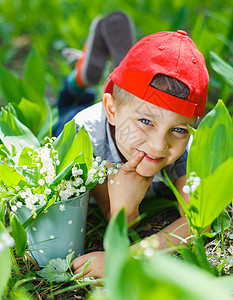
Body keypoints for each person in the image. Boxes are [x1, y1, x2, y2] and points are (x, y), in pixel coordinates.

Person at [71, 30, 209, 279]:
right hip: (74, 118)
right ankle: (79, 77)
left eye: (178, 129)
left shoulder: (185, 148)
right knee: (68, 103)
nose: (158, 146)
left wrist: (128, 257)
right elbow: (117, 217)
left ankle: (114, 65)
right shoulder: (87, 140)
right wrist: (125, 209)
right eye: (146, 121)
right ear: (112, 110)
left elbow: (199, 222)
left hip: (116, 112)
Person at [53, 11, 135, 136]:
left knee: (65, 109)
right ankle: (122, 80)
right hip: (107, 124)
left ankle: (79, 78)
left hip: (79, 124)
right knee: (69, 104)